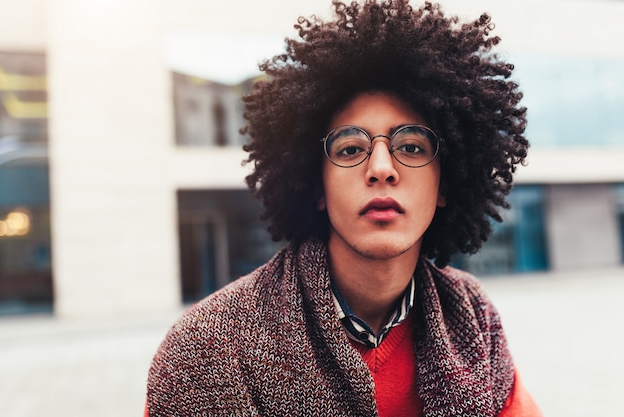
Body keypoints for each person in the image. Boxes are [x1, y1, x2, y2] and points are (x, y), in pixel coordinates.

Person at [146, 1, 542, 416]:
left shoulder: (473, 317)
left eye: (411, 147)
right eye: (351, 148)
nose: (382, 169)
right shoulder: (207, 348)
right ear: (317, 186)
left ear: (446, 184)